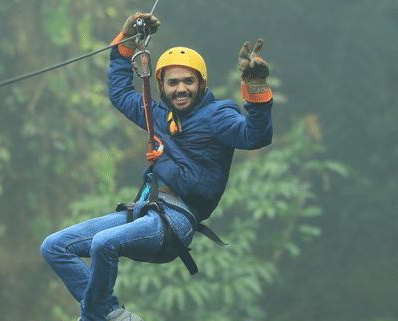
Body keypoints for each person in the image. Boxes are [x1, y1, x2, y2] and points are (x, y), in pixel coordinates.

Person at [40, 13, 274, 321]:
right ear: (160, 86)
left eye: (189, 81)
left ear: (201, 85)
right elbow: (121, 93)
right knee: (54, 246)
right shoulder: (156, 115)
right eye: (173, 82)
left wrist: (255, 87)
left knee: (103, 244)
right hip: (145, 210)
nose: (181, 89)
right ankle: (109, 313)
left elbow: (256, 135)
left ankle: (98, 317)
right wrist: (126, 42)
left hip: (176, 221)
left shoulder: (218, 116)